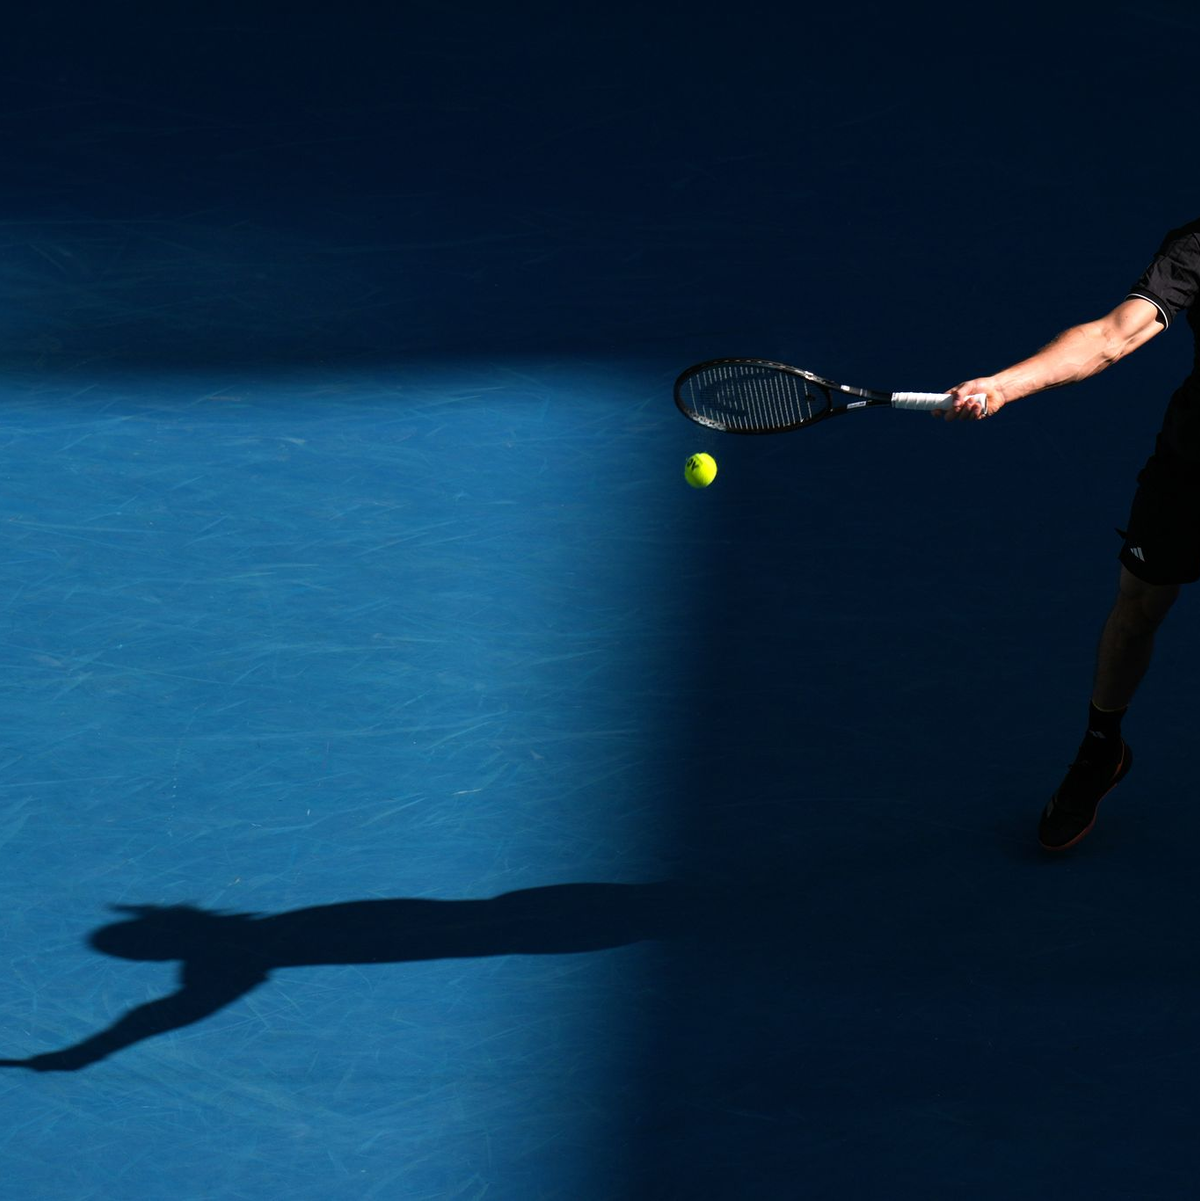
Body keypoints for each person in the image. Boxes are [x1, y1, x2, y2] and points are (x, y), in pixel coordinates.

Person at [937, 217, 1200, 850]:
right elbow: (1113, 336)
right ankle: (1100, 750)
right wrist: (1005, 384)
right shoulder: (1199, 245)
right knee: (1137, 608)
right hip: (1195, 466)